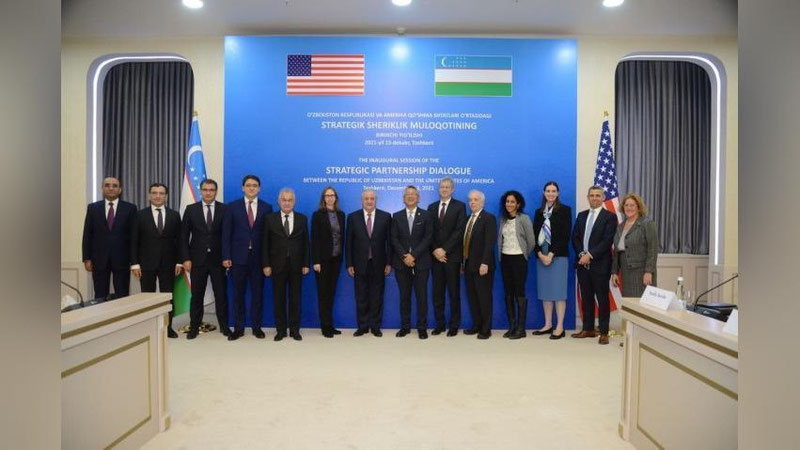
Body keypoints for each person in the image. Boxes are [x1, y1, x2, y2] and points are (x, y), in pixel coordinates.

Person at [222, 175, 273, 341]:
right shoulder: (232, 207)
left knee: (258, 295)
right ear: (243, 188)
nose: (251, 188)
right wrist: (226, 255)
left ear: (259, 188)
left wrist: (267, 261)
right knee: (238, 295)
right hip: (237, 259)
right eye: (248, 185)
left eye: (255, 185)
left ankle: (257, 327)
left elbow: (268, 237)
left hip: (258, 259)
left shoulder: (267, 207)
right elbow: (226, 234)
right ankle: (239, 328)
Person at [130, 183, 183, 338]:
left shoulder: (174, 215)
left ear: (166, 196)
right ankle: (149, 327)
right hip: (146, 264)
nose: (158, 196)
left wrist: (179, 261)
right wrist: (134, 264)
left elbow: (179, 241)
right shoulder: (139, 215)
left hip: (169, 264)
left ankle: (168, 327)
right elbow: (133, 241)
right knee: (148, 296)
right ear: (149, 196)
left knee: (168, 297)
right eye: (154, 193)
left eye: (161, 193)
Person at [180, 179, 229, 339]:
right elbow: (183, 237)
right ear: (200, 191)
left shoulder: (224, 209)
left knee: (221, 295)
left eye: (211, 190)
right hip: (197, 260)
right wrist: (186, 258)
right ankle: (194, 327)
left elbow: (227, 236)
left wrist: (227, 257)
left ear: (216, 191)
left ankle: (224, 326)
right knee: (197, 295)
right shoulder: (191, 209)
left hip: (218, 260)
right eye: (205, 189)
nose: (208, 192)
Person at [571, 185, 618, 345]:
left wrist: (589, 255)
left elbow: (607, 241)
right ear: (588, 197)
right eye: (591, 195)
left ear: (603, 198)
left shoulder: (610, 217)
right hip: (582, 264)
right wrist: (581, 254)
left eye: (598, 195)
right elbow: (575, 237)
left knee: (602, 299)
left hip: (600, 264)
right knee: (587, 297)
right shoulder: (581, 215)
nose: (594, 198)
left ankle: (604, 332)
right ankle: (588, 328)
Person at [262, 188, 310, 341]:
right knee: (279, 299)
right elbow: (265, 244)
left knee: (295, 299)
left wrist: (306, 263)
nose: (287, 203)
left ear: (294, 202)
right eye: (284, 200)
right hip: (277, 265)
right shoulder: (270, 219)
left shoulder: (302, 219)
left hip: (297, 265)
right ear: (279, 201)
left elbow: (306, 243)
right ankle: (281, 330)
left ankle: (295, 330)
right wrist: (266, 265)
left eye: (290, 200)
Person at [346, 189, 392, 337]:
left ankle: (375, 327)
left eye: (372, 198)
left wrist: (389, 263)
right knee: (361, 296)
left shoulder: (386, 217)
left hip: (379, 263)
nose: (369, 201)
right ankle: (363, 326)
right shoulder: (353, 217)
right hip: (359, 264)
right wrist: (349, 263)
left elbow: (389, 243)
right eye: (366, 198)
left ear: (376, 200)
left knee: (377, 296)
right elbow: (349, 243)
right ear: (362, 200)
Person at [82, 176, 137, 299]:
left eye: (114, 186)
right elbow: (87, 234)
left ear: (120, 190)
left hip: (122, 259)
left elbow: (134, 236)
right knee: (100, 295)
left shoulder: (130, 208)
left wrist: (134, 261)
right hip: (99, 259)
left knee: (122, 294)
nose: (111, 188)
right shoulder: (93, 208)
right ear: (102, 188)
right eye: (107, 185)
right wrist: (87, 258)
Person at [391, 185, 434, 339]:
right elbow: (394, 239)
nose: (410, 196)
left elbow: (428, 238)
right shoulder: (396, 216)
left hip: (421, 263)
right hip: (401, 263)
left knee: (422, 296)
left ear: (418, 198)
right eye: (407, 194)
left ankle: (422, 327)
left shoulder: (427, 215)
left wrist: (413, 255)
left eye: (413, 194)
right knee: (404, 297)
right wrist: (405, 256)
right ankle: (405, 327)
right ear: (403, 198)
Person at [531, 181, 572, 340]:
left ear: (558, 193)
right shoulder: (539, 212)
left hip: (558, 257)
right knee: (546, 292)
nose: (551, 193)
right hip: (542, 258)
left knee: (558, 293)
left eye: (554, 191)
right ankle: (548, 324)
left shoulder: (565, 210)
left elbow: (565, 235)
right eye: (548, 191)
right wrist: (540, 254)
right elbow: (534, 235)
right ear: (544, 193)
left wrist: (551, 254)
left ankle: (559, 326)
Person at [426, 177, 467, 337]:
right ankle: (440, 324)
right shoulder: (431, 207)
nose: (444, 189)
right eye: (442, 187)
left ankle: (454, 325)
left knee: (453, 293)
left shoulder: (460, 206)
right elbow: (429, 232)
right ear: (439, 189)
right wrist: (436, 250)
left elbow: (459, 231)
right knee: (437, 293)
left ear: (452, 189)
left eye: (447, 187)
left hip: (452, 257)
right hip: (436, 257)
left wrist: (445, 250)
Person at [497, 190, 535, 339]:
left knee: (519, 292)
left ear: (518, 204)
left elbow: (531, 241)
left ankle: (521, 329)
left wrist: (524, 254)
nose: (509, 204)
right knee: (508, 293)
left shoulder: (524, 218)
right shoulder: (502, 220)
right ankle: (512, 326)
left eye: (512, 202)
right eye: (507, 201)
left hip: (519, 259)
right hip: (505, 259)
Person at [311, 186, 345, 338]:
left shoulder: (341, 215)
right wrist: (316, 261)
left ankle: (330, 325)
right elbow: (315, 239)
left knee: (331, 294)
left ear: (335, 198)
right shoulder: (318, 215)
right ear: (323, 198)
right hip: (322, 261)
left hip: (336, 260)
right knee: (323, 294)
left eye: (332, 195)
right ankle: (325, 327)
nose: (330, 198)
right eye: (327, 195)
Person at [462, 190, 497, 340]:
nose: (472, 202)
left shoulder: (489, 218)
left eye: (476, 199)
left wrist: (485, 262)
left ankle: (486, 329)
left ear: (482, 202)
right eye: (470, 200)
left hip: (482, 266)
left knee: (484, 298)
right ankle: (476, 325)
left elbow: (490, 242)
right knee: (473, 298)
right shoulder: (467, 219)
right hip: (468, 265)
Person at [611, 193, 659, 297]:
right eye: (626, 205)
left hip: (642, 273)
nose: (629, 208)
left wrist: (649, 272)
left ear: (638, 207)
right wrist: (614, 272)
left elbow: (653, 249)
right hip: (626, 274)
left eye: (632, 205)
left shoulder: (647, 224)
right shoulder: (620, 227)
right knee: (629, 304)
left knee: (643, 304)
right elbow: (617, 252)